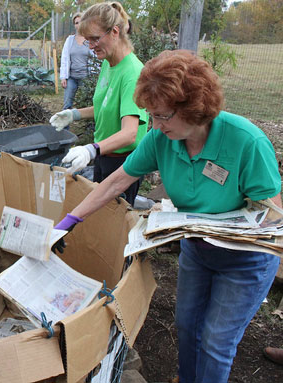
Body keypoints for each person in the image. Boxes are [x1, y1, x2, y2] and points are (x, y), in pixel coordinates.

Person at [54, 50, 282, 383]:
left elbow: (273, 212)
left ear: (194, 107)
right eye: (151, 115)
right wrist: (69, 222)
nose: (155, 125)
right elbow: (117, 180)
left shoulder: (245, 141)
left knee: (217, 340)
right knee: (187, 325)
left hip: (244, 261)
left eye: (162, 116)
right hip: (197, 250)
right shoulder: (162, 139)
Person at [49, 2, 148, 206]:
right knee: (98, 216)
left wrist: (90, 150)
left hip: (124, 164)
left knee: (113, 223)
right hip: (105, 155)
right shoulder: (108, 63)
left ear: (114, 31)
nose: (91, 46)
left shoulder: (132, 73)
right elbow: (108, 108)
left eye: (95, 38)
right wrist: (74, 114)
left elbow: (129, 132)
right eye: (87, 40)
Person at [60, 12, 93, 110]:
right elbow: (65, 59)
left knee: (87, 104)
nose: (79, 25)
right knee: (67, 104)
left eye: (81, 22)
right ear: (74, 25)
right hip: (72, 78)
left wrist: (94, 77)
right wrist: (63, 77)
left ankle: (89, 125)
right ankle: (64, 125)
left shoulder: (90, 39)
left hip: (86, 78)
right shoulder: (70, 40)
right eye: (76, 23)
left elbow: (95, 59)